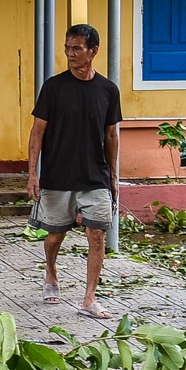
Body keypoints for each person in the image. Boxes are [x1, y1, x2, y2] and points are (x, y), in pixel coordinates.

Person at [27, 24, 122, 319]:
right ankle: (51, 272)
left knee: (97, 235)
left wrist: (114, 177)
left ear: (93, 51)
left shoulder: (108, 90)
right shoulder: (54, 87)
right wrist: (32, 173)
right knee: (55, 236)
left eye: (76, 48)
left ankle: (89, 298)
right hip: (58, 176)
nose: (70, 53)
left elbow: (111, 136)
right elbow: (37, 132)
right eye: (68, 48)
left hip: (96, 176)